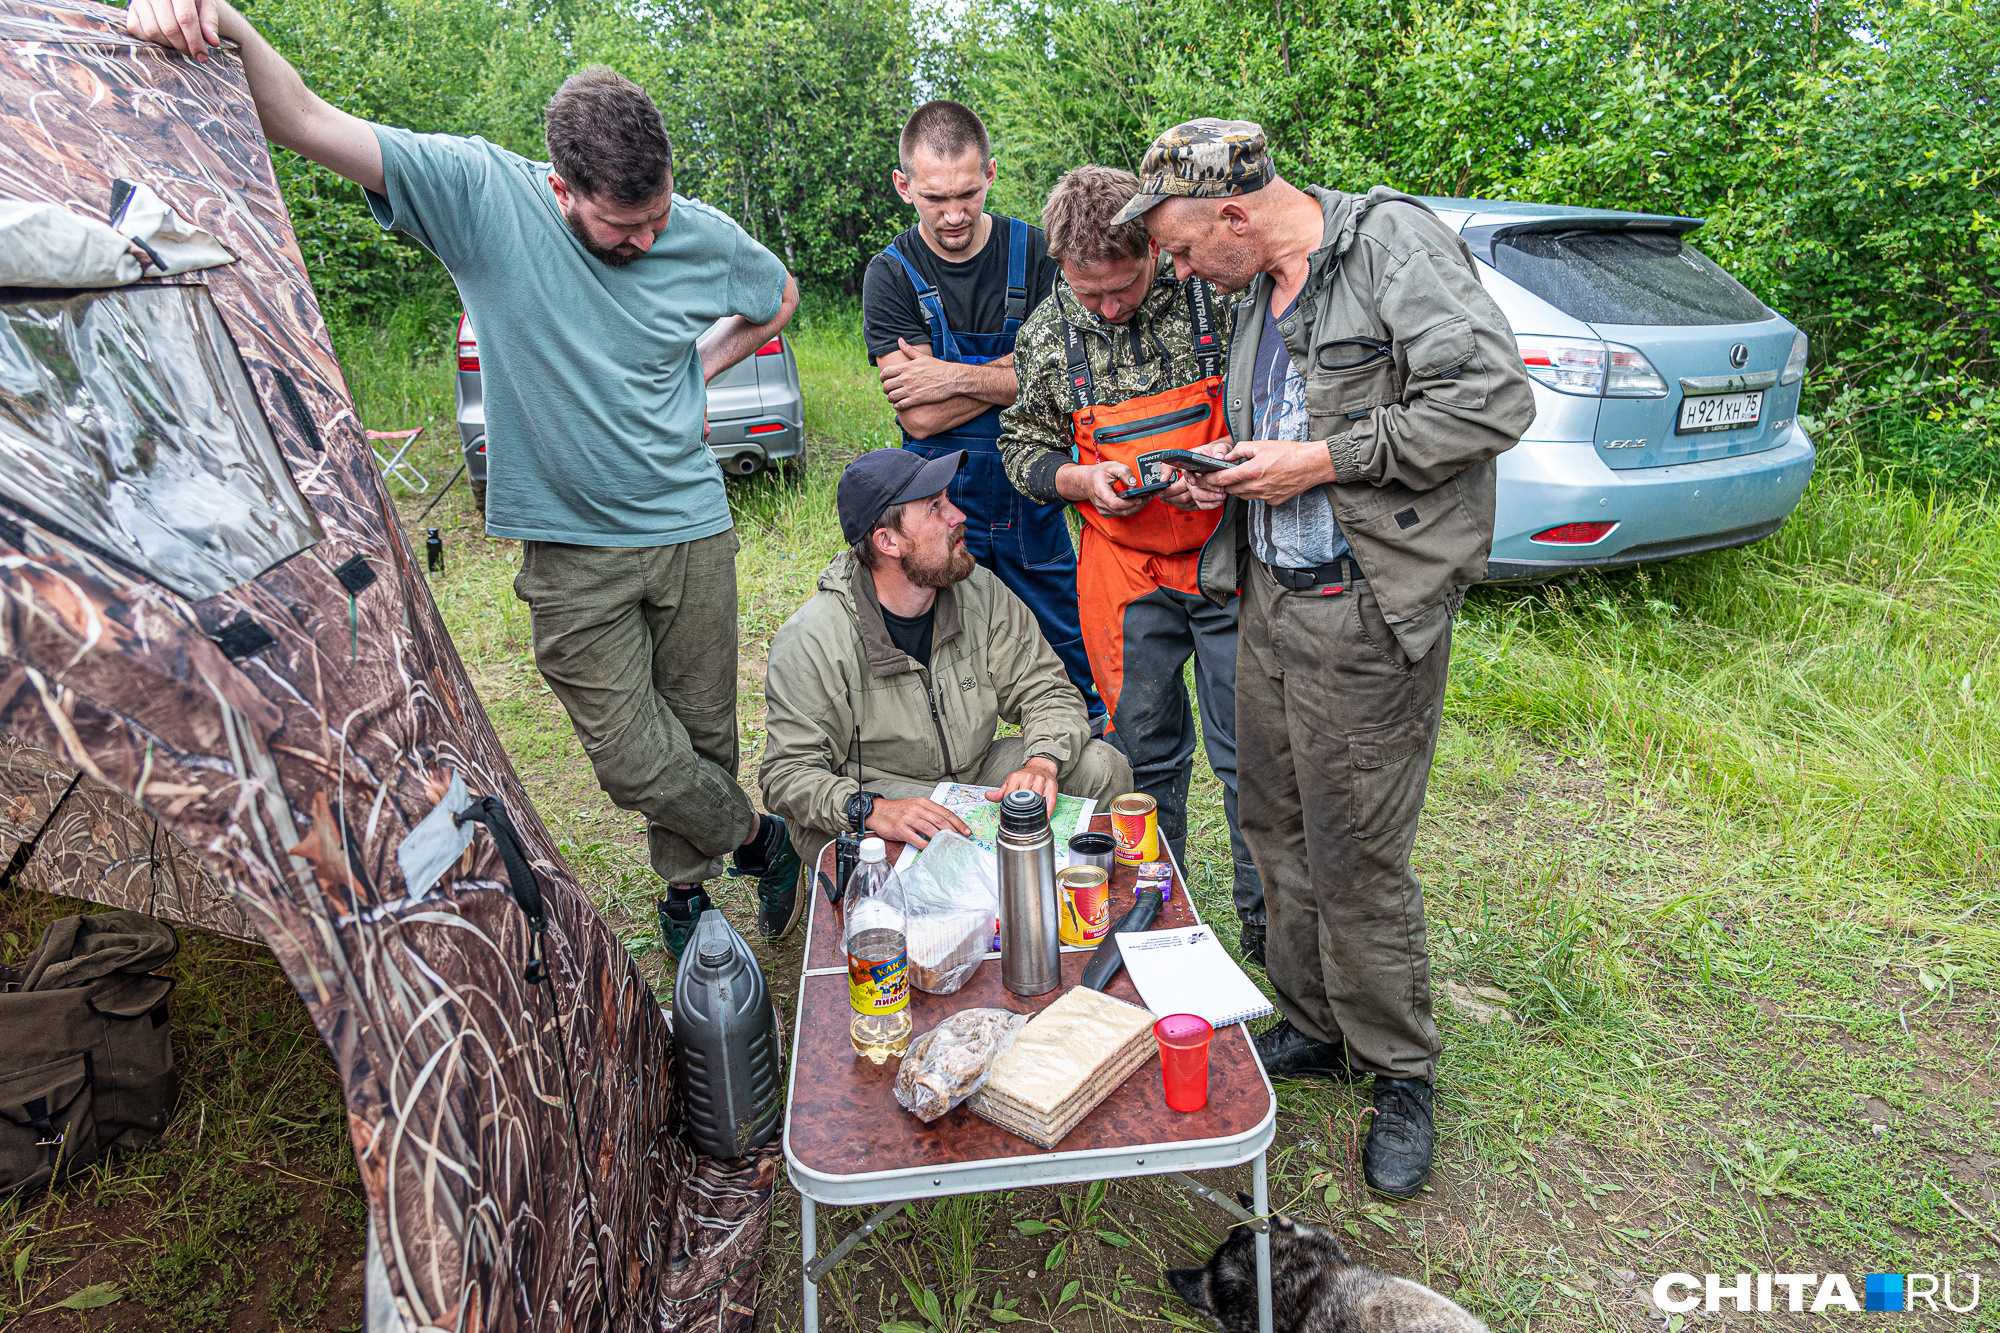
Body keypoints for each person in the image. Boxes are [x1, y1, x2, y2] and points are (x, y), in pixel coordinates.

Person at [124, 0, 807, 960]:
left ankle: (686, 889)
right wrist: (227, 20)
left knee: (700, 727)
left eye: (657, 216)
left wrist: (702, 368)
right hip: (573, 551)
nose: (649, 241)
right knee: (630, 753)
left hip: (692, 527)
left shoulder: (696, 232)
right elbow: (307, 119)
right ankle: (757, 837)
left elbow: (774, 294)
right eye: (624, 225)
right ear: (563, 189)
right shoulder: (484, 197)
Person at [1118, 120, 1536, 1196]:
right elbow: (1282, 429)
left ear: (1232, 213)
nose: (1175, 271)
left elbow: (1490, 400)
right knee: (1273, 824)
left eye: (1176, 247)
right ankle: (1312, 1026)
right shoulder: (1258, 294)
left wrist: (1321, 460)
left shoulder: (1387, 245)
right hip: (1266, 602)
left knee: (1355, 852)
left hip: (1362, 613)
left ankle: (1400, 1074)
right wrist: (1222, 473)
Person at [997, 165, 1266, 964]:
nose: (1110, 307)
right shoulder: (1048, 335)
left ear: (1155, 246)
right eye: (1092, 294)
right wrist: (1080, 480)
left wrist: (1220, 468)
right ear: (1061, 269)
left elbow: (1281, 407)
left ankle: (1264, 925)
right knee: (1141, 758)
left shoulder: (1215, 294)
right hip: (1123, 574)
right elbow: (1020, 449)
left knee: (1250, 752)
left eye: (1125, 286)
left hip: (1225, 557)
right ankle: (1155, 909)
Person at [758, 450, 1131, 878]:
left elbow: (1047, 689)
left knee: (1100, 767)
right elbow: (786, 774)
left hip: (972, 781)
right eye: (935, 508)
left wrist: (1041, 763)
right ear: (888, 542)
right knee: (910, 882)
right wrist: (873, 810)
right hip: (874, 797)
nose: (958, 516)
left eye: (947, 500)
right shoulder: (812, 639)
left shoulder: (979, 591)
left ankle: (1075, 906)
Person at [861, 101, 1104, 727]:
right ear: (904, 186)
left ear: (991, 173)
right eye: (935, 197)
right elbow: (917, 423)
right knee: (944, 670)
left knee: (1072, 663)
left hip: (1032, 494)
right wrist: (1017, 375)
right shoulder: (890, 275)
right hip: (936, 503)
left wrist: (943, 376)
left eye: (968, 193)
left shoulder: (1041, 254)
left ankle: (1087, 792)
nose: (953, 215)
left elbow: (1071, 386)